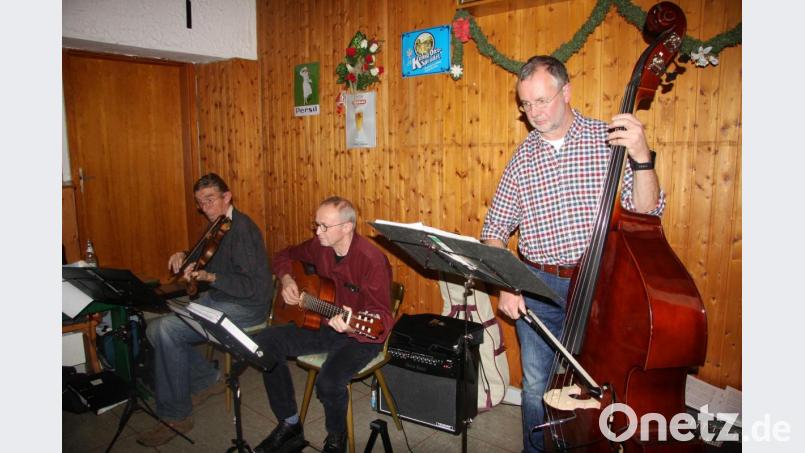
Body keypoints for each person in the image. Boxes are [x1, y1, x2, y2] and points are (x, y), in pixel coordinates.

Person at [480, 55, 666, 453]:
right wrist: (508, 284)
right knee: (535, 385)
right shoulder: (522, 159)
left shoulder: (608, 140)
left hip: (602, 284)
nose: (534, 113)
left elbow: (648, 212)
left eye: (542, 101)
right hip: (538, 284)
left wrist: (642, 156)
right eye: (526, 105)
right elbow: (493, 231)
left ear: (567, 92)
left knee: (602, 384)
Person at [136, 173, 273, 447]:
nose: (205, 208)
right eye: (200, 203)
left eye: (210, 200)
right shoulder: (218, 225)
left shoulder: (242, 230)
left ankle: (177, 416)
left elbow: (252, 287)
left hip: (247, 307)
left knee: (166, 330)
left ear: (227, 197)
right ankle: (207, 378)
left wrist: (210, 279)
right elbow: (208, 257)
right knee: (154, 329)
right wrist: (184, 256)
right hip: (221, 299)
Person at [252, 196, 393, 453]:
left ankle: (336, 437)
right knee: (264, 343)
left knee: (328, 382)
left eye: (324, 226)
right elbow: (284, 255)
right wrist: (286, 281)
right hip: (322, 324)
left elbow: (381, 319)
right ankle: (290, 424)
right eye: (316, 225)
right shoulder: (320, 245)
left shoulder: (372, 260)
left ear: (347, 227)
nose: (317, 231)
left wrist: (352, 325)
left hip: (360, 336)